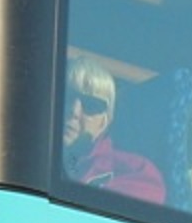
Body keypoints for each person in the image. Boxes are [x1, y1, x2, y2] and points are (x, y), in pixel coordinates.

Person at [62, 56, 167, 203]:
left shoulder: (136, 171)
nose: (74, 111)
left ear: (105, 121)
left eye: (91, 104)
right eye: (67, 96)